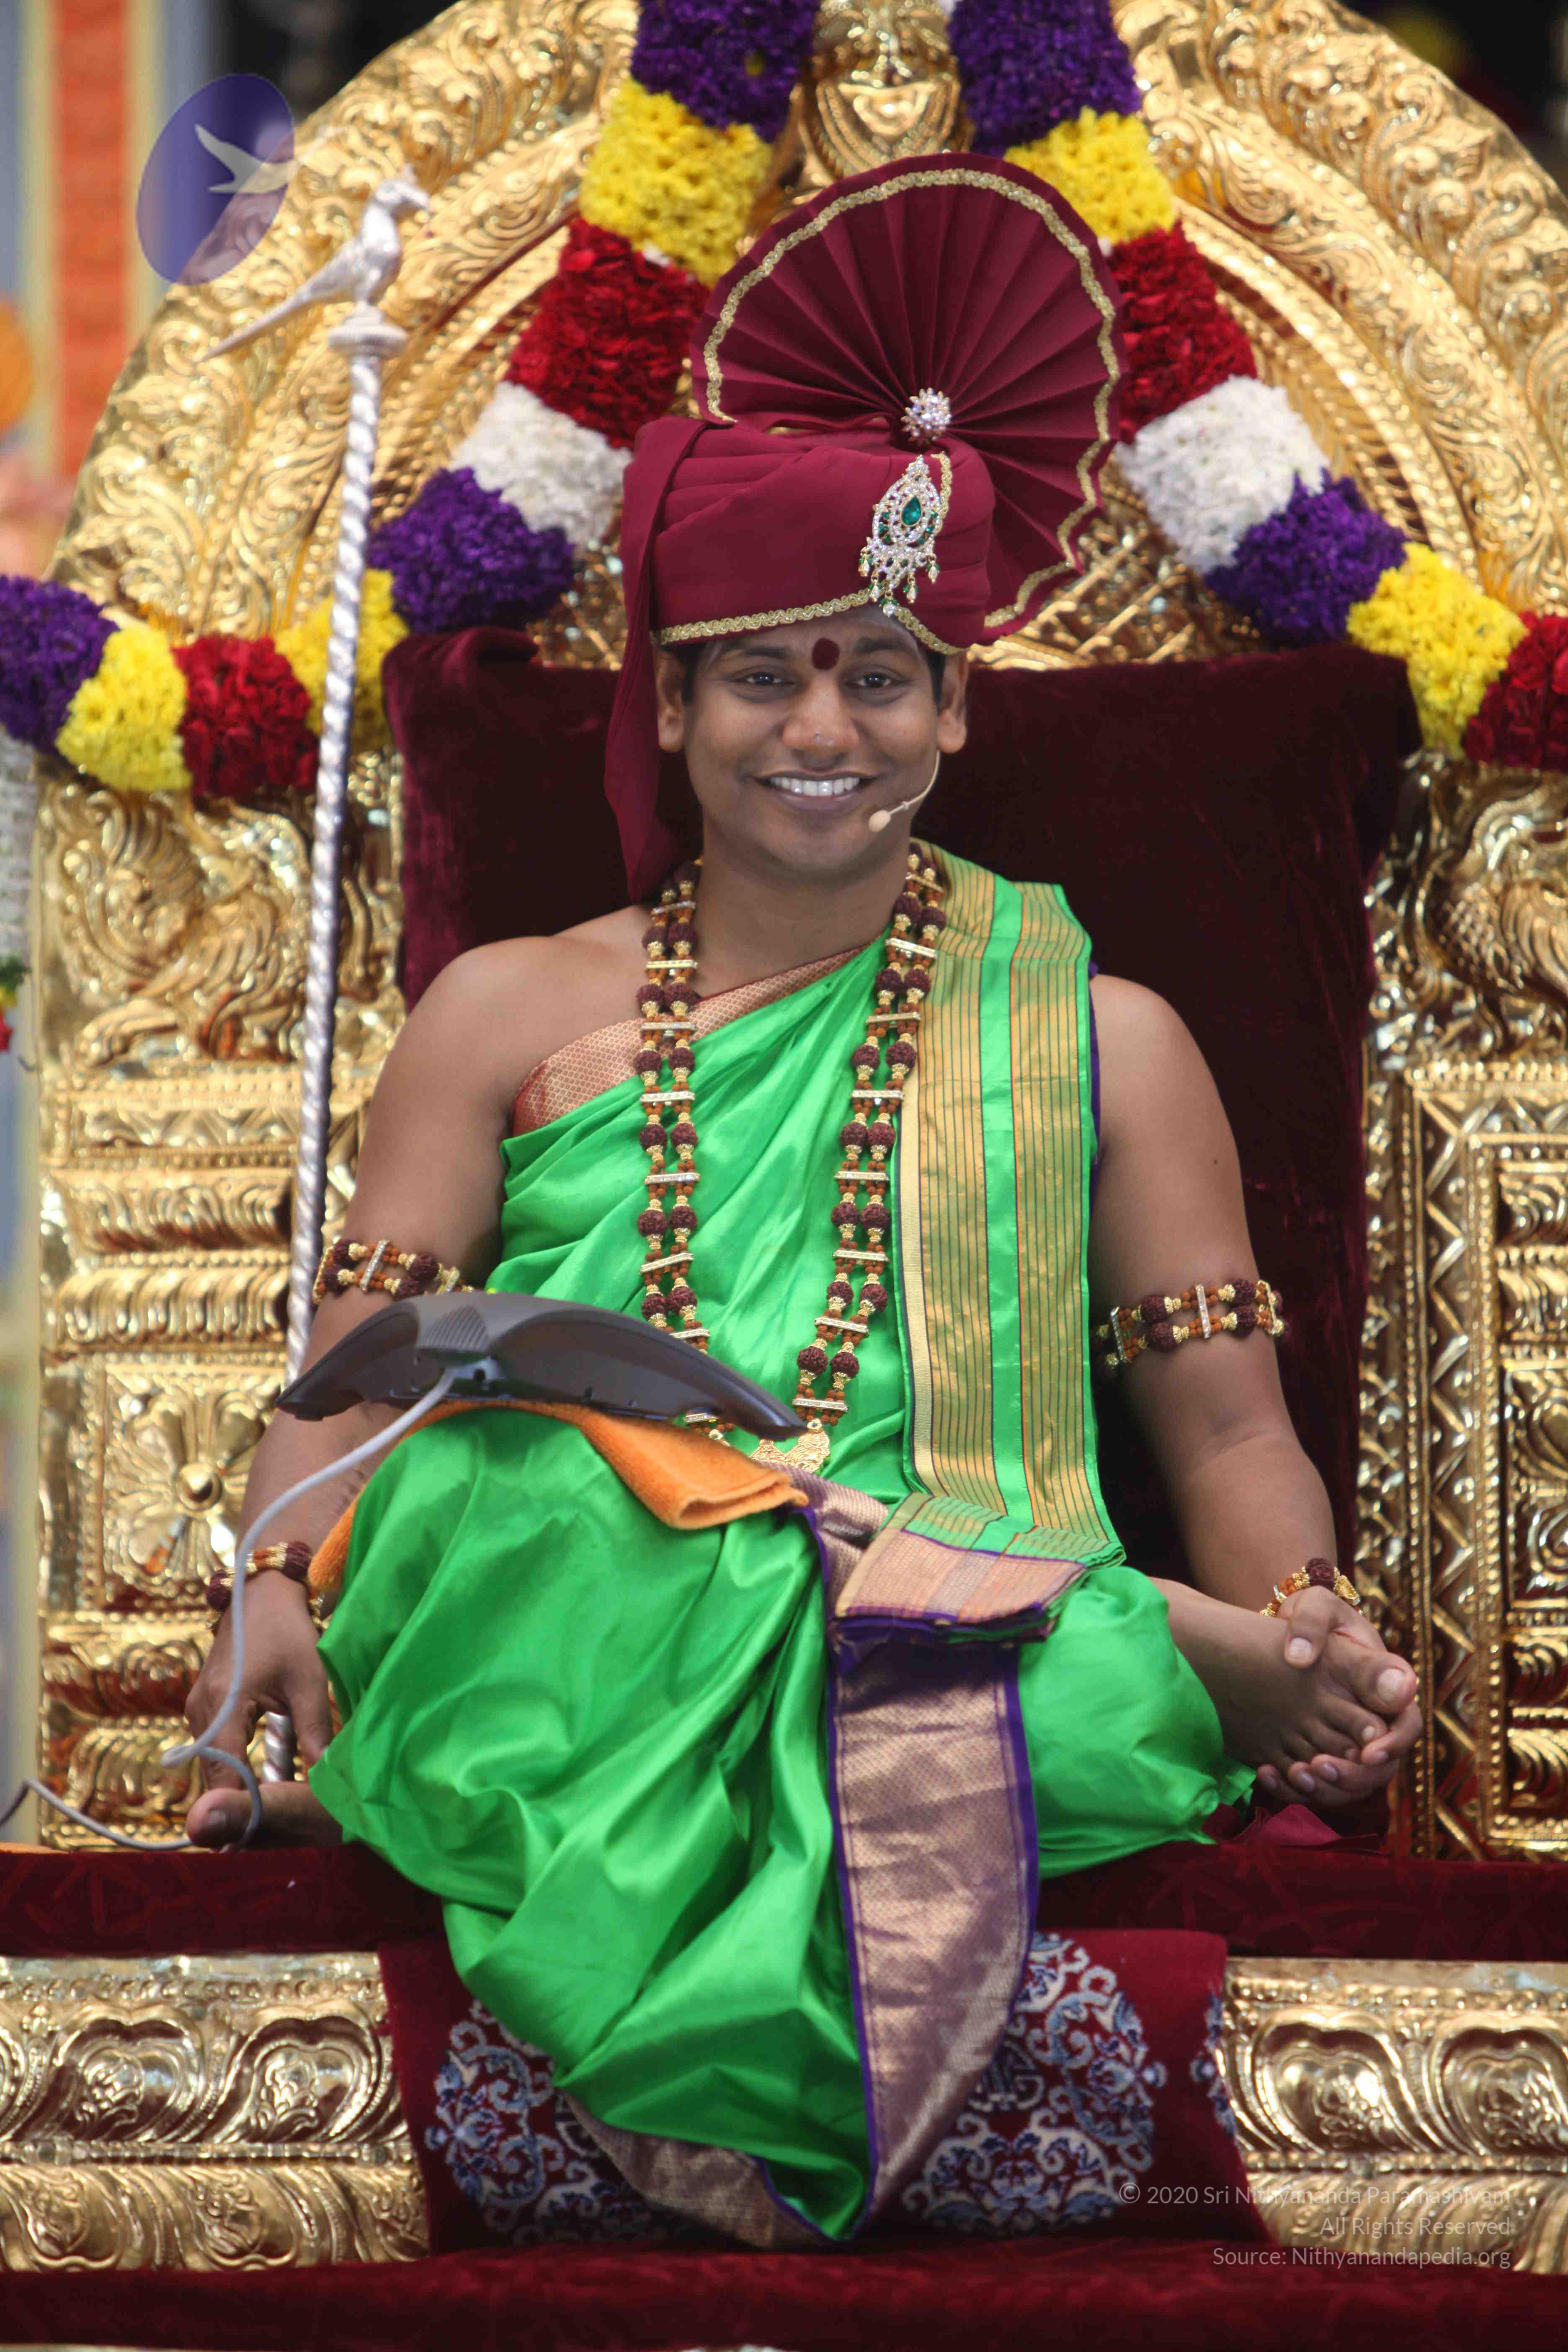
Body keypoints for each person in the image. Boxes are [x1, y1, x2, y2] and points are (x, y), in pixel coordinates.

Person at [183, 155, 1420, 2244]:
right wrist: (277, 1587)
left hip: (953, 1584)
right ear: (670, 707)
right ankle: (1104, 1639)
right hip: (572, 1580)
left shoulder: (1105, 1038)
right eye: (762, 675)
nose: (821, 727)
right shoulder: (504, 1011)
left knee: (1010, 1659)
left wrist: (1311, 1624)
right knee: (555, 1502)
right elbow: (362, 1378)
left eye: (877, 673)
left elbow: (1223, 1429)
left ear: (956, 707)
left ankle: (1119, 1641)